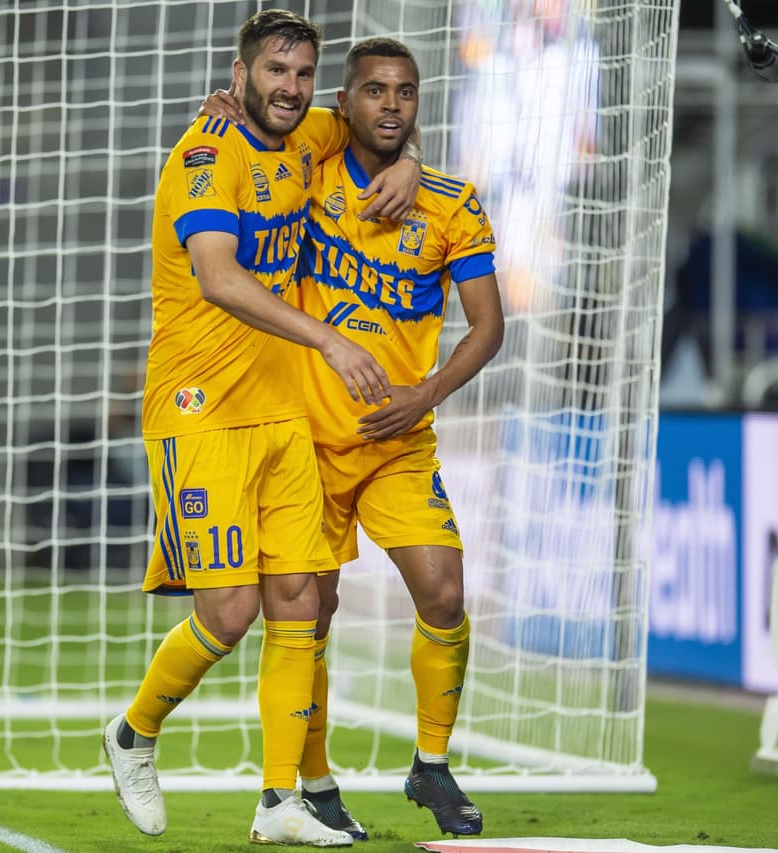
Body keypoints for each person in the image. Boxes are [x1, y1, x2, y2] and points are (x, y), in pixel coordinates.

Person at [102, 10, 421, 848]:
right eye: (276, 71)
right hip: (199, 411)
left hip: (282, 411)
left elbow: (382, 124)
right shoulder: (205, 158)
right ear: (239, 75)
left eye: (304, 73)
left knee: (302, 600)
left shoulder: (308, 133)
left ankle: (281, 797)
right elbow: (217, 277)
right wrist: (327, 336)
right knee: (230, 611)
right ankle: (134, 732)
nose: (292, 88)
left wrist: (413, 163)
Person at [202, 37, 505, 839]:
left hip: (398, 439)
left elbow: (488, 326)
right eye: (374, 91)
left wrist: (425, 395)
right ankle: (314, 780)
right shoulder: (306, 167)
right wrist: (222, 114)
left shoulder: (453, 201)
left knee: (442, 590)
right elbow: (261, 130)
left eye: (405, 92)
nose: (391, 105)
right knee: (312, 616)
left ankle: (431, 765)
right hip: (304, 436)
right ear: (347, 100)